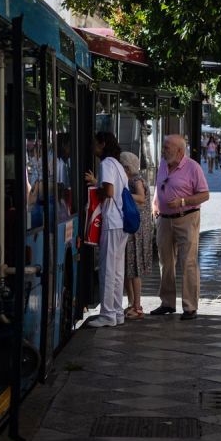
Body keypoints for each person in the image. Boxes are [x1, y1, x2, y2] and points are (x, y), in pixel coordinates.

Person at [149, 134, 210, 320]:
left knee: (188, 262)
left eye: (167, 147)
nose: (163, 150)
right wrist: (154, 204)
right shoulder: (162, 164)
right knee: (165, 262)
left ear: (180, 151)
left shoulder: (193, 167)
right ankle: (167, 303)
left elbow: (205, 195)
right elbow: (159, 188)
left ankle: (190, 306)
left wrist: (184, 201)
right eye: (164, 147)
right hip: (164, 220)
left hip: (186, 218)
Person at [84, 132, 130, 327]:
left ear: (103, 144)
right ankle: (117, 311)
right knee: (118, 270)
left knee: (108, 269)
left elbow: (109, 192)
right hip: (122, 223)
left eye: (96, 144)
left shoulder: (106, 165)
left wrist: (97, 191)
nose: (93, 147)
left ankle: (107, 314)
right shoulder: (118, 165)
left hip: (111, 222)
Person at [119, 151, 154, 320]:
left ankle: (137, 305)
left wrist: (123, 194)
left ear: (126, 167)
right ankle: (132, 303)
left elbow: (140, 198)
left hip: (137, 230)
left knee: (134, 268)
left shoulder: (135, 180)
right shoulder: (131, 180)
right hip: (135, 227)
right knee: (129, 268)